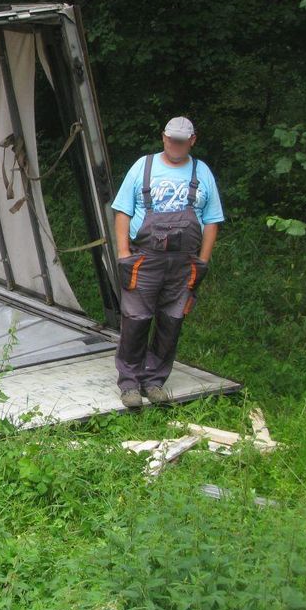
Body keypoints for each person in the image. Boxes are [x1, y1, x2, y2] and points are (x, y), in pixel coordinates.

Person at [111, 116, 224, 408]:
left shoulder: (202, 172)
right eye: (172, 139)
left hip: (184, 263)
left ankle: (154, 380)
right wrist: (124, 253)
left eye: (182, 141)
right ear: (163, 138)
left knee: (171, 321)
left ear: (192, 140)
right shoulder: (143, 167)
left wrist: (203, 261)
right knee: (136, 320)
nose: (176, 145)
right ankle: (130, 384)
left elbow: (211, 221)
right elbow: (122, 211)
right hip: (144, 260)